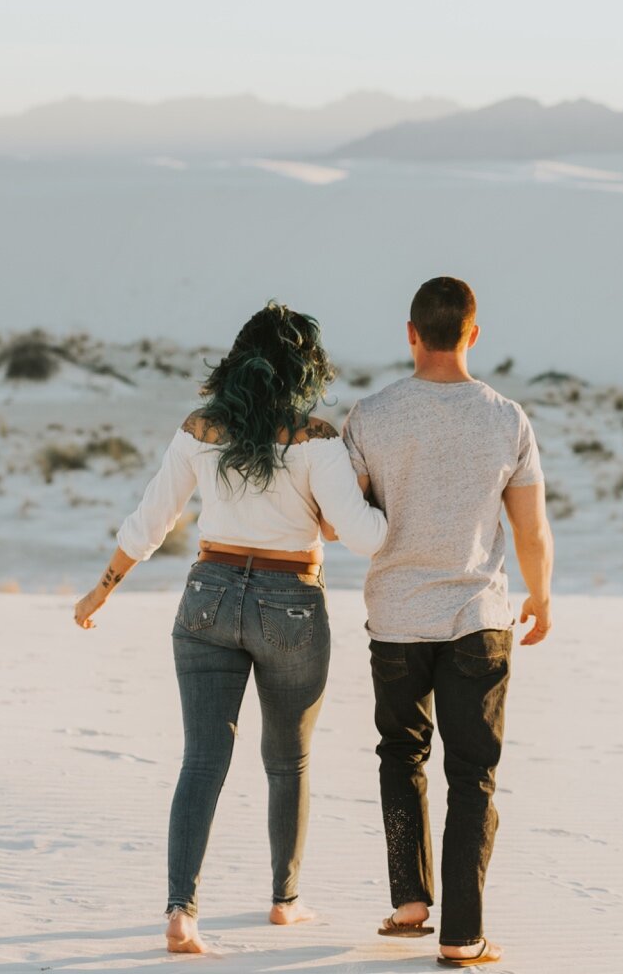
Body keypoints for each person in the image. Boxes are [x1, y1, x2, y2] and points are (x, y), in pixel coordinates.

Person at [71, 301, 386, 954]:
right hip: (289, 601)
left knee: (203, 759)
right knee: (288, 757)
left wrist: (101, 590)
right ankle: (284, 900)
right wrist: (389, 502)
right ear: (305, 370)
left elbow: (152, 519)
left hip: (207, 596)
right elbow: (363, 537)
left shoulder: (200, 429)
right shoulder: (317, 439)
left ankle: (181, 911)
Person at [342, 276, 554, 968]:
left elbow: (348, 517)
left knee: (401, 754)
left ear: (410, 333)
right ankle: (463, 936)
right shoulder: (506, 418)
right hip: (477, 618)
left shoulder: (370, 417)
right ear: (473, 333)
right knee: (472, 775)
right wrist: (541, 595)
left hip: (396, 616)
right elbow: (531, 529)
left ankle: (410, 903)